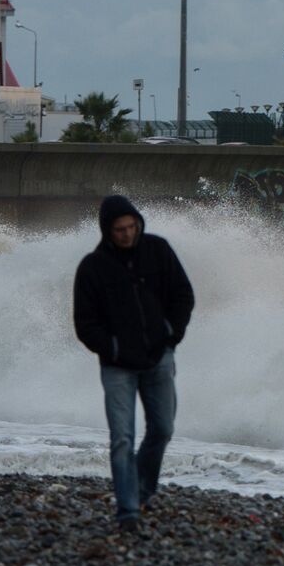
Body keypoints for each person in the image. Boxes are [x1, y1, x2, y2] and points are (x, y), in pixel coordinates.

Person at [72, 195, 194, 532]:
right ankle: (128, 511)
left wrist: (171, 332)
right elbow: (85, 324)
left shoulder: (158, 250)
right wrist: (111, 347)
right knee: (122, 438)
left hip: (158, 358)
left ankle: (142, 490)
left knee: (163, 429)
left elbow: (183, 295)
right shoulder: (93, 267)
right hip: (117, 367)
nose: (127, 234)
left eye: (131, 227)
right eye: (119, 230)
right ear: (107, 231)